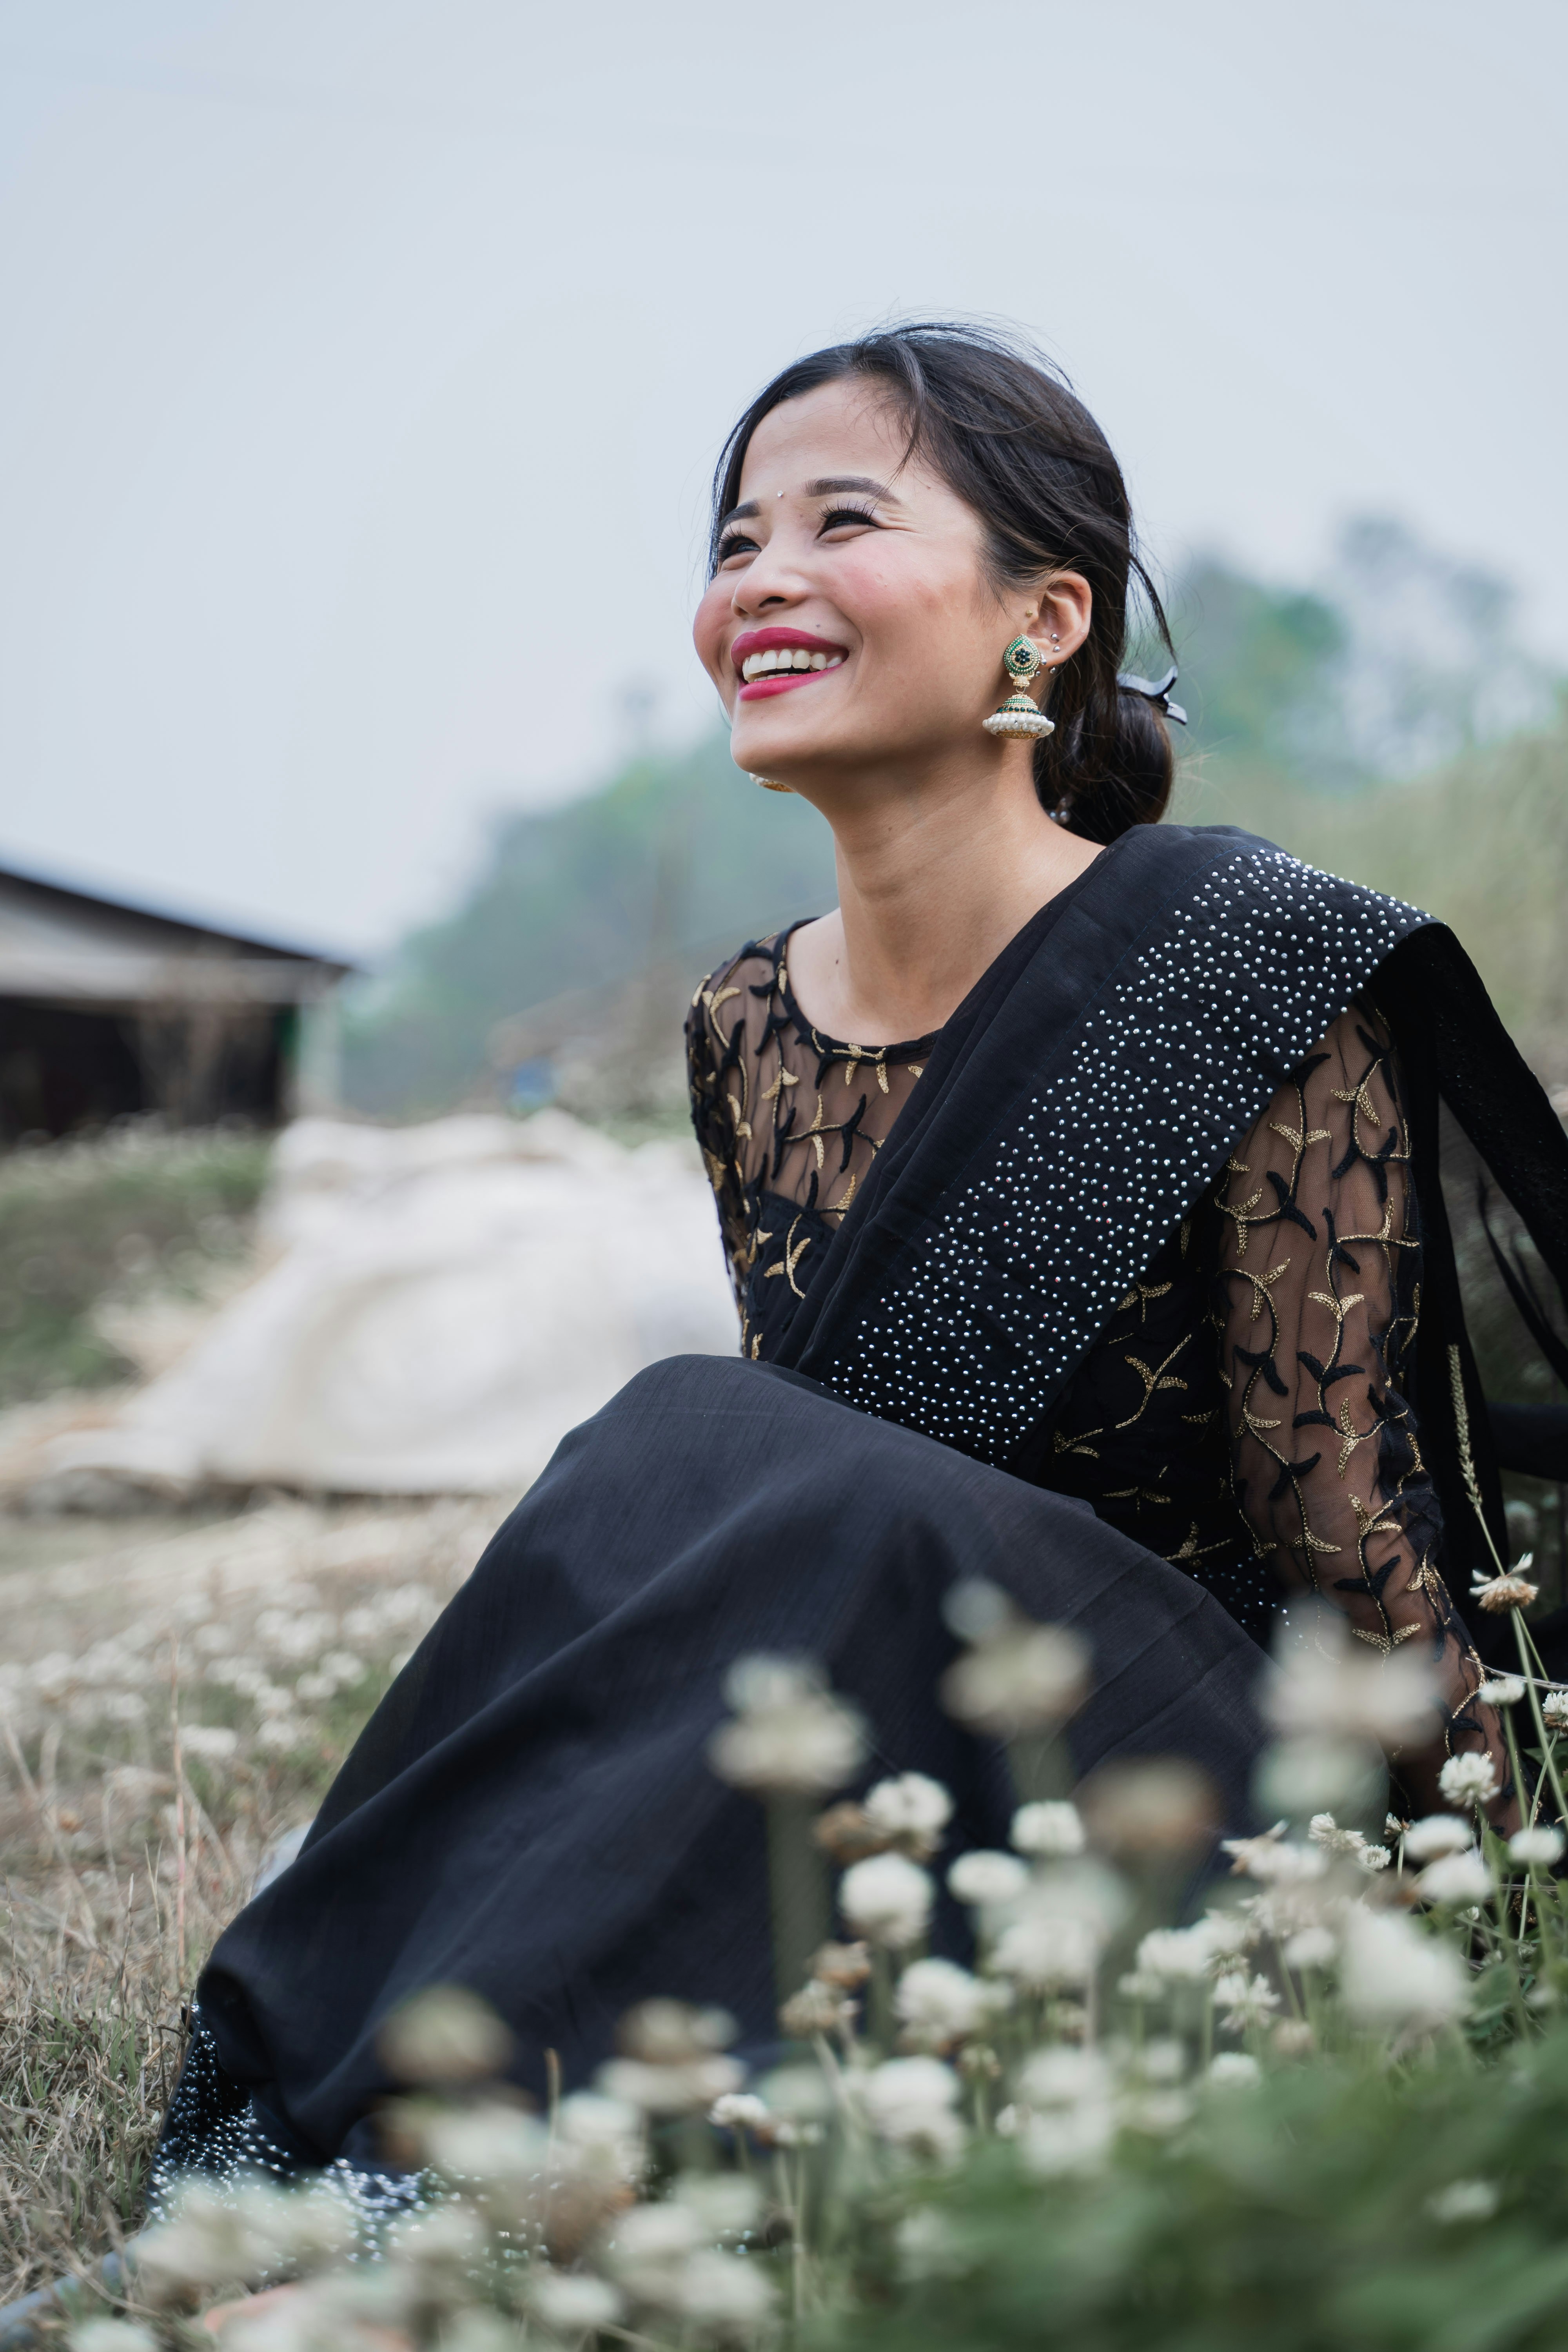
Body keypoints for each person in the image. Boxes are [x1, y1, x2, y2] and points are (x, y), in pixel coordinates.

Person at [153, 322, 1568, 2208]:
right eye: (734, 544)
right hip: (892, 1736)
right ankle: (420, 2176)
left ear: (1040, 619)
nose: (762, 585)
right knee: (699, 1478)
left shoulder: (1242, 964)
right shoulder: (747, 1022)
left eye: (840, 521)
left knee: (693, 1437)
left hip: (1184, 1769)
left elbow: (1346, 1520)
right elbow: (797, 1514)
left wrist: (1494, 1900)